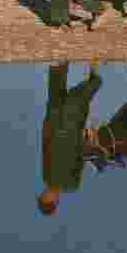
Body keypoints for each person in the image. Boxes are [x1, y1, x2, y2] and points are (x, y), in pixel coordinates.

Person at [38, 61, 101, 216]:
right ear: (54, 201)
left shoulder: (46, 178)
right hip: (71, 132)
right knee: (74, 100)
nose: (43, 194)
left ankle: (60, 61)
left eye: (41, 196)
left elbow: (45, 149)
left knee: (55, 90)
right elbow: (82, 158)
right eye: (45, 198)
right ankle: (95, 80)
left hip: (52, 125)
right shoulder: (72, 185)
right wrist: (88, 139)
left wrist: (46, 126)